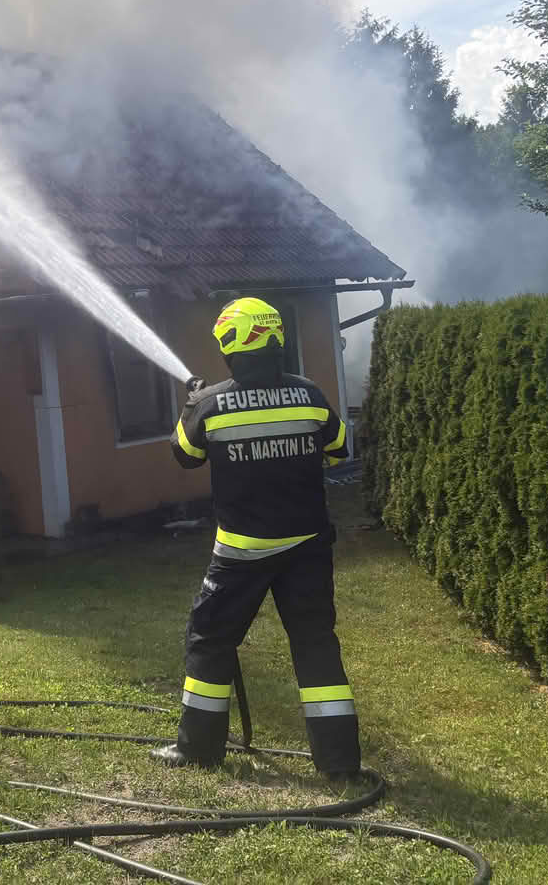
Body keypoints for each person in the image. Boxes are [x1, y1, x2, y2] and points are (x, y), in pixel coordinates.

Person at [154, 297, 358, 777]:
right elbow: (340, 446)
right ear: (276, 339)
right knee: (315, 645)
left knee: (210, 639)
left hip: (241, 554)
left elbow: (184, 454)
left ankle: (199, 748)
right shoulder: (308, 394)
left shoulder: (209, 404)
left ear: (228, 344)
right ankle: (340, 761)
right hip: (307, 547)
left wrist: (194, 404)